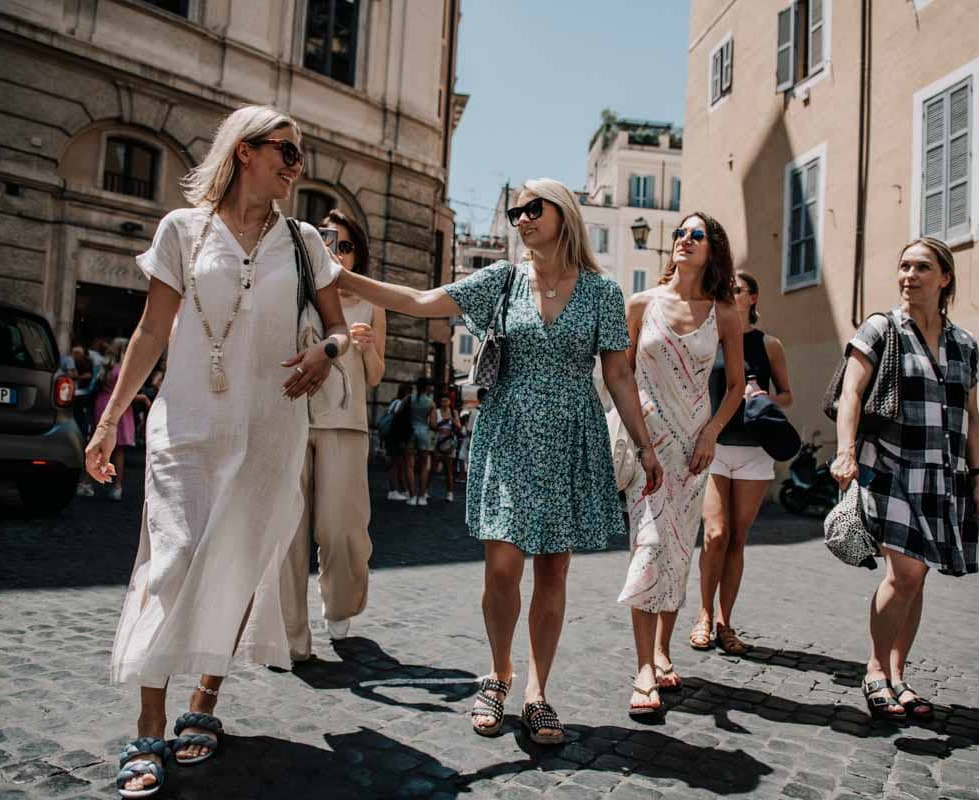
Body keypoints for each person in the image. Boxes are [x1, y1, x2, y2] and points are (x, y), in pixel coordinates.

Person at [334, 177, 663, 744]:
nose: (522, 218)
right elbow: (417, 302)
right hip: (509, 434)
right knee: (503, 567)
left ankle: (538, 692)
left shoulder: (603, 294)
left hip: (570, 437)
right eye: (515, 211)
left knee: (553, 571)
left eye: (534, 208)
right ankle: (499, 670)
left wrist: (644, 444)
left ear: (564, 213)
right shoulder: (501, 282)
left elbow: (618, 373)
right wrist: (339, 276)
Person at [85, 105, 350, 798]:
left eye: (300, 156)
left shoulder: (302, 243)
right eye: (287, 154)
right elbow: (149, 332)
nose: (298, 168)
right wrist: (111, 419)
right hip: (187, 424)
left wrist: (327, 353)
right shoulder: (183, 229)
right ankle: (148, 724)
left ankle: (203, 701)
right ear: (245, 152)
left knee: (234, 562)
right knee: (168, 562)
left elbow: (340, 330)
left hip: (270, 425)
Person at [830, 237, 979, 723]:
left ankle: (899, 676)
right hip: (888, 467)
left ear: (944, 278)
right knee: (904, 574)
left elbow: (973, 416)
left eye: (921, 267)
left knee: (917, 578)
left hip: (941, 475)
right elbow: (850, 395)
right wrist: (845, 452)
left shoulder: (964, 344)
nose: (908, 276)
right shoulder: (881, 328)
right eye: (903, 266)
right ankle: (876, 670)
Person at [617, 212, 744, 716]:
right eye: (680, 234)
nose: (685, 241)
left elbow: (735, 386)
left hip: (694, 447)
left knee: (676, 549)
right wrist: (639, 431)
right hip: (649, 443)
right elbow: (621, 374)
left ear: (713, 249)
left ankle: (664, 649)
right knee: (649, 544)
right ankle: (644, 667)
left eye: (697, 236)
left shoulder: (724, 312)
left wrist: (711, 433)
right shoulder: (641, 304)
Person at [280, 209, 385, 653]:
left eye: (345, 245)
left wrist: (366, 347)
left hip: (345, 422)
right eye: (327, 242)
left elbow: (377, 375)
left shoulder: (370, 301)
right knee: (286, 533)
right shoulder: (291, 291)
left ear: (357, 254)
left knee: (342, 528)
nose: (336, 252)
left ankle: (340, 606)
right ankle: (290, 635)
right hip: (289, 417)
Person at [691, 269, 794, 655]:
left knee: (737, 538)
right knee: (715, 534)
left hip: (754, 452)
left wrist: (763, 396)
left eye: (737, 289)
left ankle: (724, 622)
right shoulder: (709, 338)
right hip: (715, 447)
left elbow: (787, 395)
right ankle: (702, 614)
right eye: (725, 288)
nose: (729, 293)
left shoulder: (769, 345)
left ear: (753, 298)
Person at [92, 337, 134, 501]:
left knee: (99, 445)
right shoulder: (123, 369)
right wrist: (144, 398)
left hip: (102, 403)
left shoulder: (105, 366)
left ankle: (87, 482)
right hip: (119, 407)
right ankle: (117, 486)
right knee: (119, 449)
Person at [407, 376, 436, 506]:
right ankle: (422, 496)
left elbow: (397, 413)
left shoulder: (409, 399)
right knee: (424, 466)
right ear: (427, 388)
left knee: (409, 466)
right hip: (424, 433)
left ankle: (412, 496)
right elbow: (434, 424)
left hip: (410, 432)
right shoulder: (430, 403)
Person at [384, 382, 414, 500]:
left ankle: (399, 489)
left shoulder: (394, 402)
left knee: (398, 463)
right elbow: (397, 418)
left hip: (392, 436)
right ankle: (393, 490)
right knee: (395, 464)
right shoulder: (399, 403)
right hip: (395, 437)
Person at [432, 391, 462, 502]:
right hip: (438, 442)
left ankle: (450, 493)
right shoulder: (437, 412)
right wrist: (442, 422)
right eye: (442, 401)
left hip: (449, 443)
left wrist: (452, 420)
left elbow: (459, 426)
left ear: (449, 402)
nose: (444, 403)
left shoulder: (453, 412)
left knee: (449, 469)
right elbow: (433, 425)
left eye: (446, 401)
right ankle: (425, 491)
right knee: (433, 468)